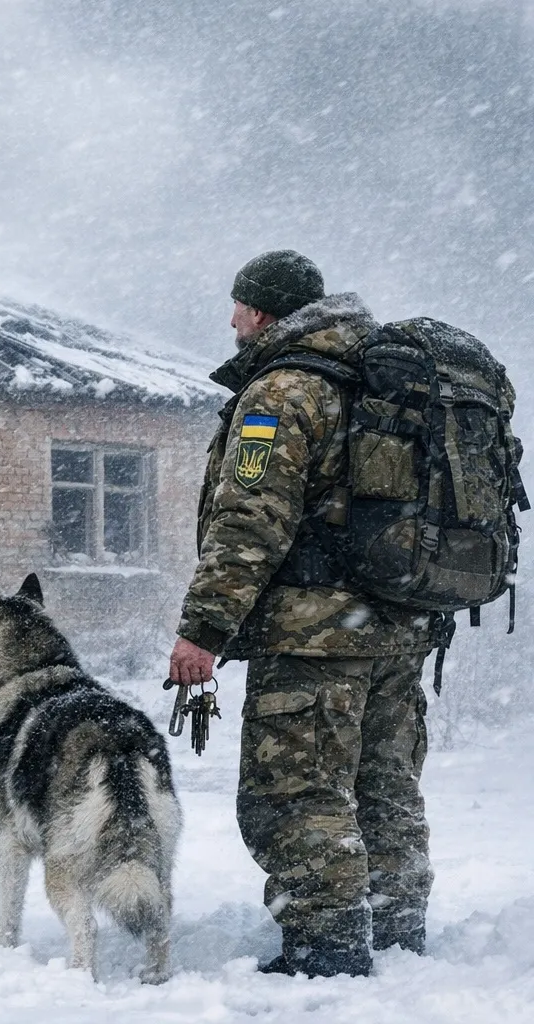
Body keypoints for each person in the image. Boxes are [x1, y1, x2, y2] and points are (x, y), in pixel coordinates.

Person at [170, 250, 435, 978]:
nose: (231, 320)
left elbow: (250, 523)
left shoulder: (284, 391)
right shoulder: (382, 380)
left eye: (239, 306)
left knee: (296, 793)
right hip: (400, 625)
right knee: (385, 785)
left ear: (263, 312)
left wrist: (203, 630)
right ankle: (398, 937)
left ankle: (326, 951)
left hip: (316, 634)